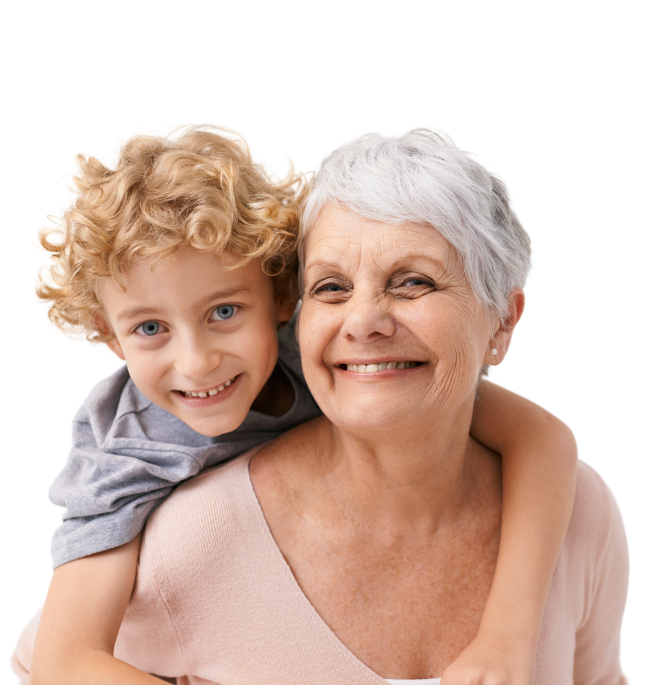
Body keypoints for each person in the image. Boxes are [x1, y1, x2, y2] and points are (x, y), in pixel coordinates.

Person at [11, 123, 585, 684]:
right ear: (106, 336)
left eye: (225, 312)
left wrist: (509, 634)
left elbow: (543, 435)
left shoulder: (332, 351)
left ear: (285, 297)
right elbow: (62, 661)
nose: (198, 361)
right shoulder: (126, 452)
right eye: (150, 327)